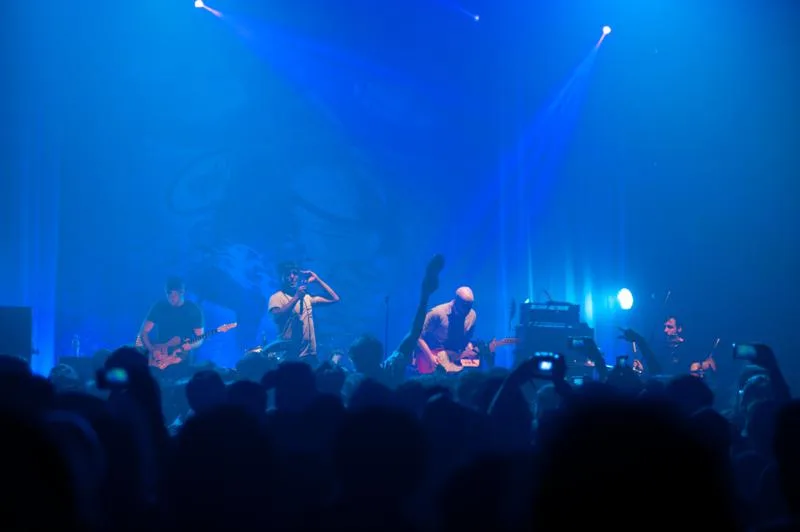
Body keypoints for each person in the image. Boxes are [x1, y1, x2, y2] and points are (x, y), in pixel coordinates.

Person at [267, 262, 340, 367]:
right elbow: (276, 315)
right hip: (292, 356)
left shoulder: (307, 297)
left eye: (295, 273)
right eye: (288, 274)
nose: (292, 277)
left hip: (310, 355)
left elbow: (334, 298)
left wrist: (317, 280)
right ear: (281, 277)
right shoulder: (277, 297)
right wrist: (296, 297)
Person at [139, 277, 205, 368]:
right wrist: (152, 349)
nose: (171, 298)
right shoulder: (159, 307)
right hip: (160, 355)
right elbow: (144, 332)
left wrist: (190, 345)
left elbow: (200, 339)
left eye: (175, 294)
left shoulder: (193, 310)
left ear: (182, 292)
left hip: (182, 358)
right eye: (168, 294)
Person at [415, 286, 477, 374]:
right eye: (464, 305)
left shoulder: (472, 315)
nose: (467, 310)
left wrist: (469, 347)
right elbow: (418, 336)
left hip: (453, 361)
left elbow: (466, 339)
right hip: (433, 359)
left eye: (469, 306)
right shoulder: (437, 313)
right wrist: (430, 357)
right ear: (456, 301)